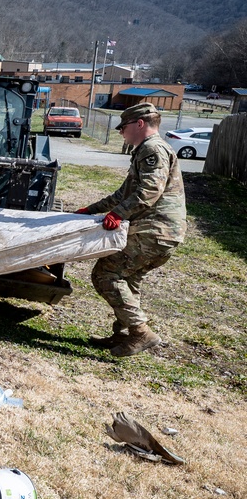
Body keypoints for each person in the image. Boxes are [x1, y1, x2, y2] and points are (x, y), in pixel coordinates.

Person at [75, 102, 186, 356]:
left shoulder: (153, 149)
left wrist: (117, 214)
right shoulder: (144, 150)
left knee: (106, 274)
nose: (121, 132)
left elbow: (150, 190)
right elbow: (123, 193)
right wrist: (90, 210)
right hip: (162, 231)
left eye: (123, 127)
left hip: (155, 229)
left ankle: (140, 333)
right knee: (128, 279)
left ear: (139, 124)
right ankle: (124, 335)